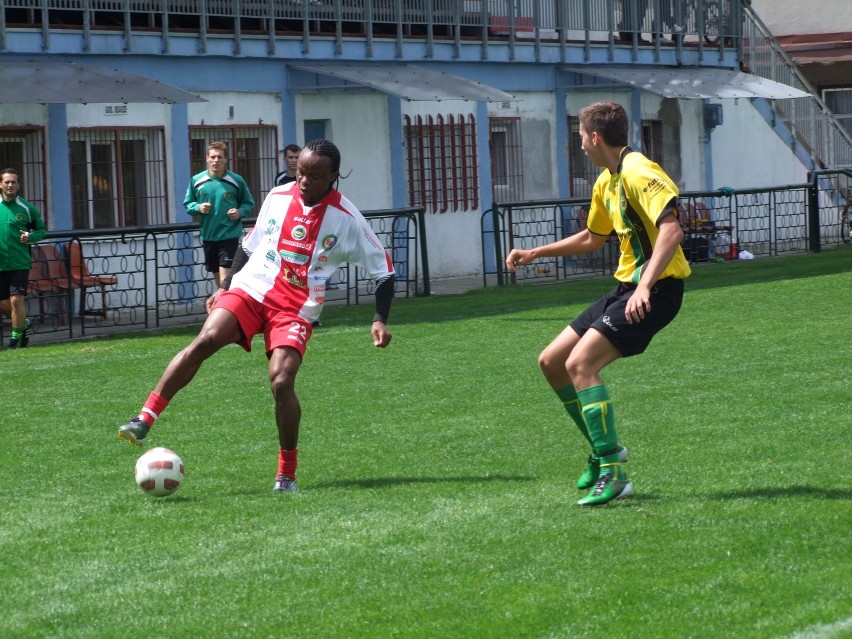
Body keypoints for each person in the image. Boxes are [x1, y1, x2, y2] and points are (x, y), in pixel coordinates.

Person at [119, 139, 396, 494]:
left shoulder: (348, 220)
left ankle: (286, 474)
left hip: (295, 307)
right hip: (252, 288)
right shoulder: (278, 196)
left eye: (313, 175)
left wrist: (379, 318)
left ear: (333, 177)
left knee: (281, 382)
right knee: (206, 339)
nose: (303, 181)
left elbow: (384, 271)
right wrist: (226, 286)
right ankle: (144, 418)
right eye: (300, 173)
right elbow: (248, 245)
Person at [505, 102, 690, 506]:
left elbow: (672, 230)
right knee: (552, 361)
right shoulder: (607, 181)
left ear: (594, 137)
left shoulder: (640, 170)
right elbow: (592, 238)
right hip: (626, 288)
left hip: (656, 292)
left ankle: (614, 471)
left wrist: (645, 285)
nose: (580, 145)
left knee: (580, 365)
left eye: (580, 137)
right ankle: (603, 451)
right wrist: (536, 252)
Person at [184, 141, 255, 288]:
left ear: (226, 159)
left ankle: (225, 309)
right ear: (207, 159)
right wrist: (198, 207)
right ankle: (226, 306)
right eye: (213, 157)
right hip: (209, 236)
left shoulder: (236, 180)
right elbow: (188, 204)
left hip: (229, 236)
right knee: (219, 282)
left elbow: (248, 203)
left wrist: (239, 212)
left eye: (219, 157)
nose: (216, 160)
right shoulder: (197, 180)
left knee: (225, 280)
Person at [0, 168, 47, 349]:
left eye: (13, 182)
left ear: (18, 185)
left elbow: (42, 230)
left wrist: (30, 237)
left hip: (19, 262)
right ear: (0, 184)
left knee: (16, 300)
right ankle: (24, 324)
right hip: (0, 264)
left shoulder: (27, 208)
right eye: (7, 182)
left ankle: (14, 341)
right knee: (4, 305)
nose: (10, 185)